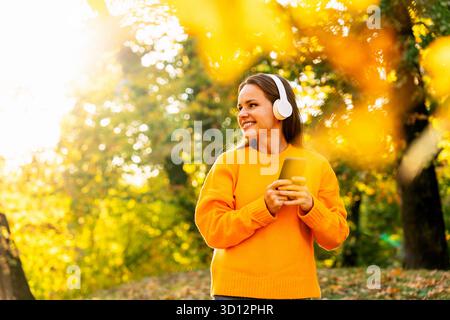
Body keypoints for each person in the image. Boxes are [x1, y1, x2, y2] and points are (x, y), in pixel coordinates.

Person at [195, 73, 349, 300]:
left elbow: (335, 237)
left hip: (297, 294)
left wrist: (311, 207)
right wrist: (263, 208)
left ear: (281, 109)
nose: (243, 114)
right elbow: (213, 231)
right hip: (235, 295)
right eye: (240, 107)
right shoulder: (229, 162)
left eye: (252, 105)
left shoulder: (317, 165)